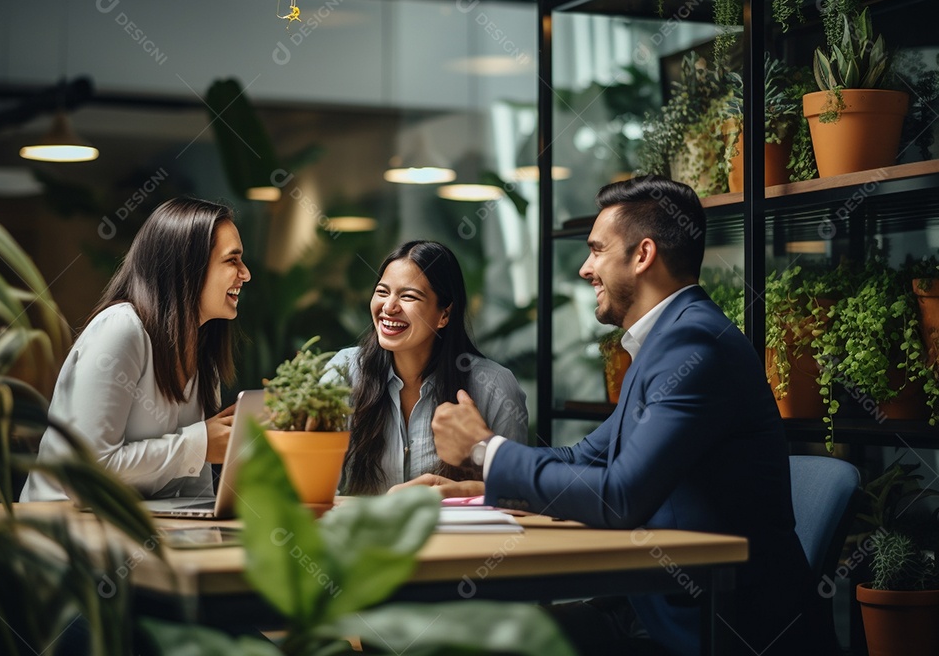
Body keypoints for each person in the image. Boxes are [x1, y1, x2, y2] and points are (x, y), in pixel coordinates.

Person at [431, 177, 825, 656]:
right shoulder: (667, 341)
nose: (584, 268)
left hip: (712, 628)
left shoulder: (694, 346)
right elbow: (586, 457)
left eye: (596, 250)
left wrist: (483, 447)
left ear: (642, 255)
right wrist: (477, 481)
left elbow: (619, 496)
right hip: (649, 604)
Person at [21, 197, 251, 501]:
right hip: (64, 528)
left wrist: (212, 518)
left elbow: (194, 492)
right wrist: (199, 444)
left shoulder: (203, 358)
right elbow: (88, 471)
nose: (245, 274)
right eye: (232, 260)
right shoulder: (121, 329)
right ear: (188, 267)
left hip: (145, 531)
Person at [326, 240, 528, 496]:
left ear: (444, 314)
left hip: (459, 536)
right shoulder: (344, 373)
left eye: (408, 296)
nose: (389, 307)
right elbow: (316, 489)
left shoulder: (495, 386)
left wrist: (472, 470)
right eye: (382, 292)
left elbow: (518, 495)